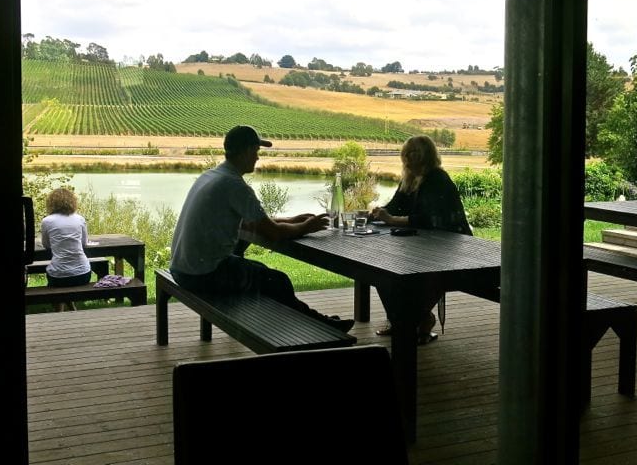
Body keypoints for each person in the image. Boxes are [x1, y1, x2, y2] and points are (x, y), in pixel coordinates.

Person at [169, 124, 355, 333]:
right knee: (276, 280)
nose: (258, 157)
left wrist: (293, 220)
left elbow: (253, 222)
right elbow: (272, 233)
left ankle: (312, 323)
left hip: (182, 269)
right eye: (256, 151)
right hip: (203, 275)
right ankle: (320, 327)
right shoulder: (235, 185)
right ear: (247, 150)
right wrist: (306, 227)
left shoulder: (212, 176)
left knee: (261, 273)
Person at [370, 135, 471, 343]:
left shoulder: (437, 180)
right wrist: (378, 213)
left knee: (419, 277)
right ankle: (402, 320)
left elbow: (426, 219)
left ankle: (418, 321)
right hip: (421, 241)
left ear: (427, 155)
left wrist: (391, 219)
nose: (408, 157)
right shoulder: (409, 179)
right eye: (406, 152)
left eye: (414, 152)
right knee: (379, 270)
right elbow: (395, 205)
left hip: (449, 246)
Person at [40, 188, 92, 310]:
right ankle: (71, 308)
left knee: (58, 278)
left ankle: (59, 311)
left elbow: (46, 245)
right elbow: (84, 243)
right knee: (66, 279)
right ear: (72, 201)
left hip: (59, 277)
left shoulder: (47, 221)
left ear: (51, 203)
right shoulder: (79, 219)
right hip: (83, 274)